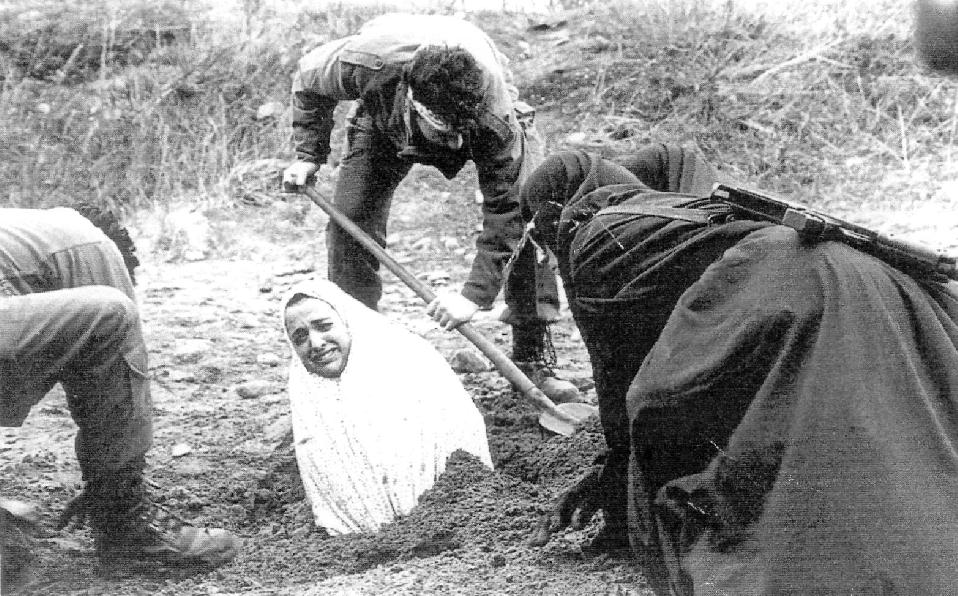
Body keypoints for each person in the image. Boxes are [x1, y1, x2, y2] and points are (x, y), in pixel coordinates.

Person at [524, 146, 958, 595]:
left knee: (818, 466)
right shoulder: (667, 206)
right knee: (893, 435)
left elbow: (620, 380)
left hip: (794, 286)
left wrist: (620, 497)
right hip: (862, 276)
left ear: (555, 212)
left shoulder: (591, 234)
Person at [281, 13, 579, 403]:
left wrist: (473, 297)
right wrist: (309, 155)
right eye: (444, 132)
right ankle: (360, 359)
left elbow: (508, 213)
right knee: (348, 229)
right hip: (385, 119)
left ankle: (532, 357)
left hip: (481, 108)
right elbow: (307, 79)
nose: (455, 147)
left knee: (531, 223)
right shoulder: (366, 64)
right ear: (414, 102)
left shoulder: (495, 120)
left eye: (462, 134)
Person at [0, 205, 240, 573]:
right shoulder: (95, 245)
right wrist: (109, 486)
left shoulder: (22, 237)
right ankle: (125, 524)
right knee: (112, 315)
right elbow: (125, 361)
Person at [282, 279, 493, 535]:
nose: (316, 343)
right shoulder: (308, 401)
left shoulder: (404, 362)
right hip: (365, 545)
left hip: (452, 521)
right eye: (300, 337)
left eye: (324, 326)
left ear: (348, 323)